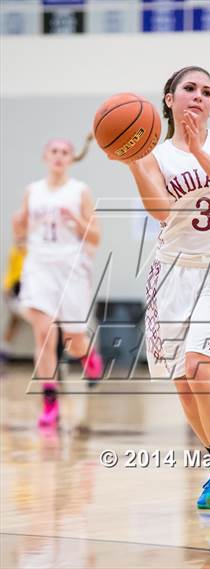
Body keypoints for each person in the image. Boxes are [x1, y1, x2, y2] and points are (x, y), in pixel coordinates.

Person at [123, 66, 210, 508]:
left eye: (207, 91)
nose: (199, 96)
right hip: (171, 272)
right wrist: (132, 162)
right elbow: (162, 212)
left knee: (199, 366)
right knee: (183, 384)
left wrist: (203, 152)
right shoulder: (155, 152)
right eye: (190, 88)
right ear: (169, 99)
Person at [13, 134, 103, 428]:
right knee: (44, 334)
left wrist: (75, 219)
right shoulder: (33, 190)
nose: (59, 155)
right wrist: (19, 231)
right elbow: (21, 228)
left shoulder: (80, 192)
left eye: (65, 152)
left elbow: (95, 236)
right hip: (39, 266)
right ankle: (49, 403)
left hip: (71, 267)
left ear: (71, 158)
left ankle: (87, 356)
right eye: (54, 150)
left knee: (72, 340)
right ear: (45, 156)